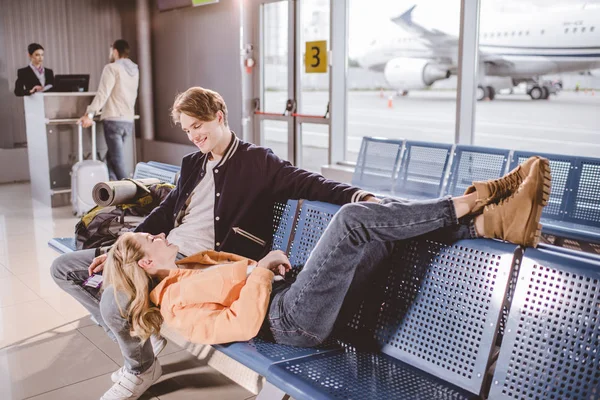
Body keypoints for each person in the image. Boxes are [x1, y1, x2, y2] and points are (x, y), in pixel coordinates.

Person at [101, 155, 551, 399]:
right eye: (151, 241)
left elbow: (239, 285)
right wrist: (259, 272)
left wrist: (264, 268)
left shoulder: (184, 268)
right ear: (145, 264)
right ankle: (468, 203)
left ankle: (487, 225)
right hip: (290, 322)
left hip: (291, 298)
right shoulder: (174, 303)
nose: (158, 235)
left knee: (378, 235)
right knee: (355, 219)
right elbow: (237, 324)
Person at [52, 86, 377, 400]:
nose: (193, 136)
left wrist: (359, 195)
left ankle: (140, 367)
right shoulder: (193, 163)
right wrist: (119, 248)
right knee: (63, 268)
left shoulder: (257, 162)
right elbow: (167, 212)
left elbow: (308, 182)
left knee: (114, 301)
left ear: (219, 117)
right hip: (163, 248)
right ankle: (140, 338)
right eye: (186, 129)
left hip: (194, 265)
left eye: (198, 126)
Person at [78, 39, 139, 180]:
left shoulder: (111, 68)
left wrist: (90, 114)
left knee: (116, 160)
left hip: (113, 120)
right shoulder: (134, 70)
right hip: (128, 121)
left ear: (115, 51)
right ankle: (114, 194)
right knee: (111, 160)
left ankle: (134, 192)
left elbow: (103, 94)